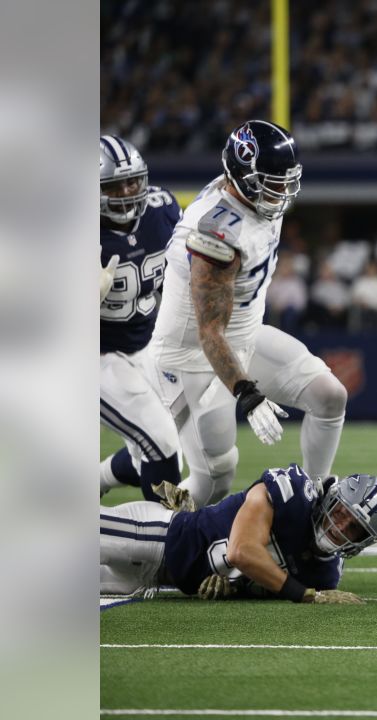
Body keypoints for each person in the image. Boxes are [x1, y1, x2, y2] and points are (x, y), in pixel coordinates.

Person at [151, 120, 350, 508]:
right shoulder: (217, 234)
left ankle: (309, 505)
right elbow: (210, 332)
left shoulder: (251, 196)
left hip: (243, 336)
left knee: (329, 396)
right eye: (270, 182)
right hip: (193, 357)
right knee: (214, 478)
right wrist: (248, 393)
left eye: (285, 181)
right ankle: (144, 543)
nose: (281, 192)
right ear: (240, 176)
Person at [100, 464, 377, 603]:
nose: (339, 526)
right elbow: (240, 551)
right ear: (331, 498)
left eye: (353, 528)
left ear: (361, 543)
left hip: (152, 580)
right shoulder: (293, 492)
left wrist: (231, 587)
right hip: (159, 537)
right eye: (341, 513)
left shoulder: (324, 575)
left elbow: (255, 583)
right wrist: (304, 596)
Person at [98, 134, 186, 507]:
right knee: (160, 440)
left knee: (165, 449)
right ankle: (164, 547)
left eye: (133, 181)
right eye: (115, 185)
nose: (129, 192)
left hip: (145, 344)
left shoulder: (162, 208)